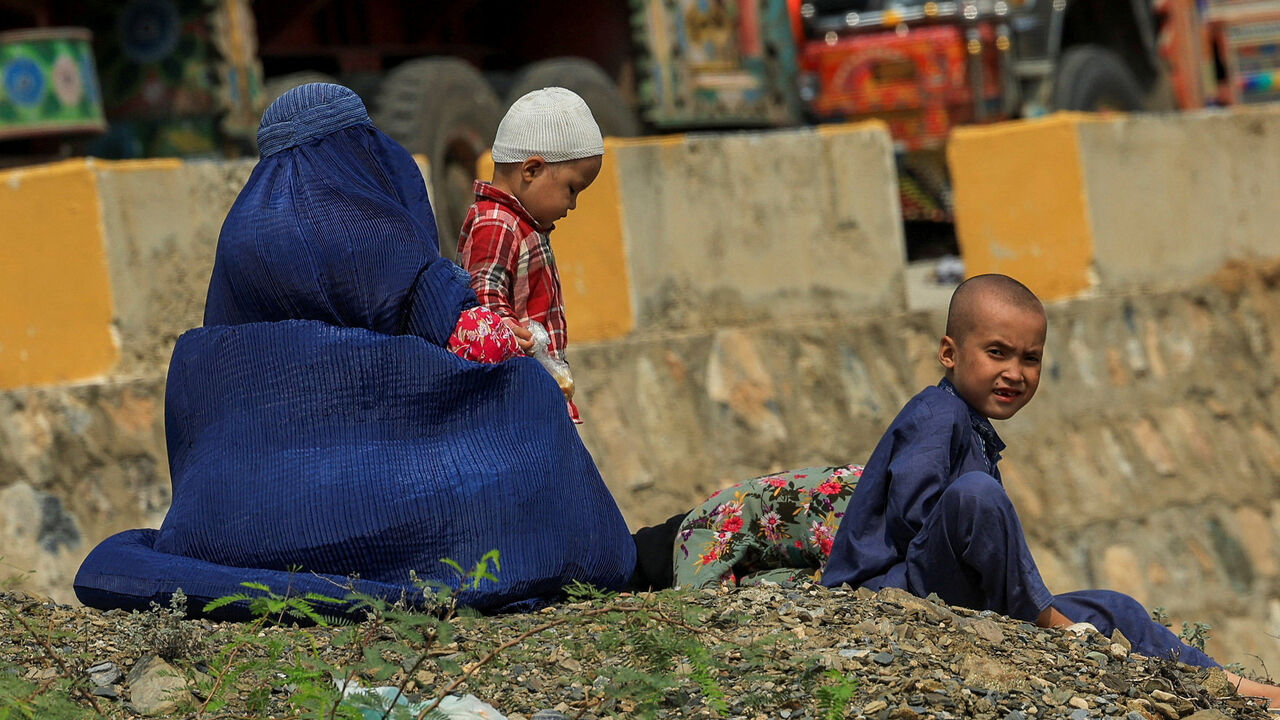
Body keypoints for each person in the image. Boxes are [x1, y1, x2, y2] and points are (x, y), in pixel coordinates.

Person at [74, 83, 635, 619]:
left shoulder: (242, 232)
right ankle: (572, 552)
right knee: (525, 397)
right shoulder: (358, 224)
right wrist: (525, 347)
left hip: (228, 515)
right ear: (356, 149)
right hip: (352, 494)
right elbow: (459, 334)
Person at [819, 273, 1280, 706]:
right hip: (894, 591)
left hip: (954, 592)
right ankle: (1049, 623)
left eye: (1030, 358)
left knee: (1114, 609)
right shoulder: (937, 414)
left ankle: (1235, 688)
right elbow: (914, 520)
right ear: (949, 353)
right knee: (976, 494)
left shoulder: (972, 425)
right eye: (997, 352)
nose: (1015, 373)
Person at [457, 87, 605, 423]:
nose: (573, 205)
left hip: (532, 386)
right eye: (572, 189)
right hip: (512, 389)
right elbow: (483, 294)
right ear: (531, 170)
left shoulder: (522, 225)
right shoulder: (497, 223)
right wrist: (507, 329)